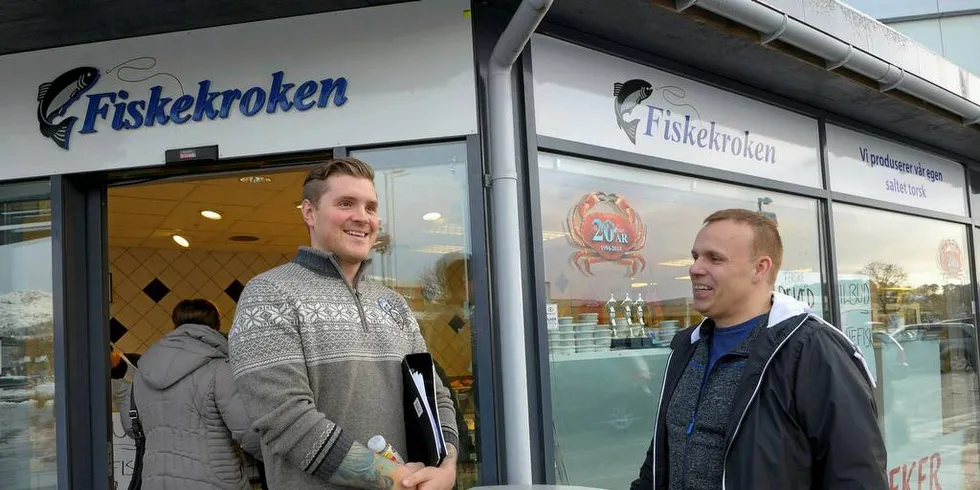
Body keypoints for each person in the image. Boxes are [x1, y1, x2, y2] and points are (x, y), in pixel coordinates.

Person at [229, 157, 459, 490]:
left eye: (370, 207)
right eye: (345, 203)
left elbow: (435, 399)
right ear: (309, 212)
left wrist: (446, 466)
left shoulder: (392, 304)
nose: (362, 217)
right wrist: (400, 481)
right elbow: (286, 421)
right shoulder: (269, 295)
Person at [630, 209, 887, 490]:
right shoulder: (687, 348)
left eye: (714, 258)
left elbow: (857, 477)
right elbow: (659, 461)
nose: (695, 268)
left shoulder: (811, 351)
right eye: (695, 256)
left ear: (760, 268)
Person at [130, 298, 262, 490]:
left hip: (156, 482)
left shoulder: (143, 372)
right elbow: (248, 432)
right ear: (216, 325)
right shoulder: (220, 369)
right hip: (214, 482)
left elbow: (131, 426)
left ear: (175, 323)